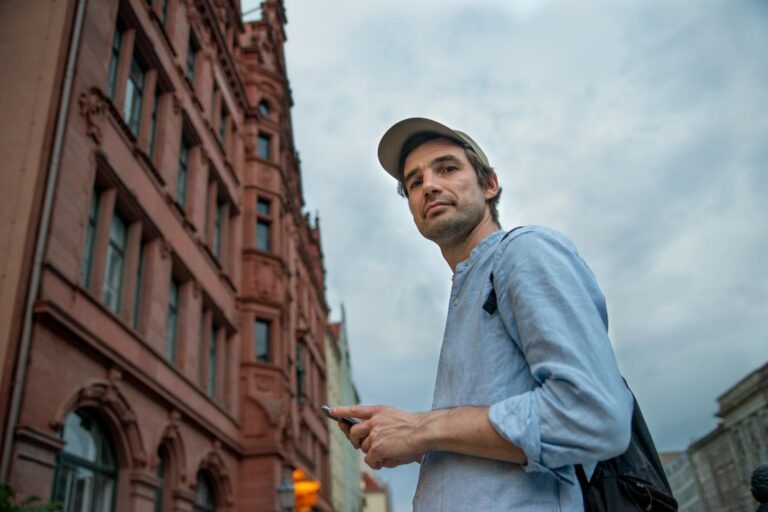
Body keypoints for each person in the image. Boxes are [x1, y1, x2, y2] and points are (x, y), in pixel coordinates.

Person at [330, 117, 634, 510]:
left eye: (447, 168)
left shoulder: (522, 252)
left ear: (489, 185)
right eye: (414, 183)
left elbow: (592, 414)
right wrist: (410, 441)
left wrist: (422, 429)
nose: (429, 186)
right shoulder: (468, 290)